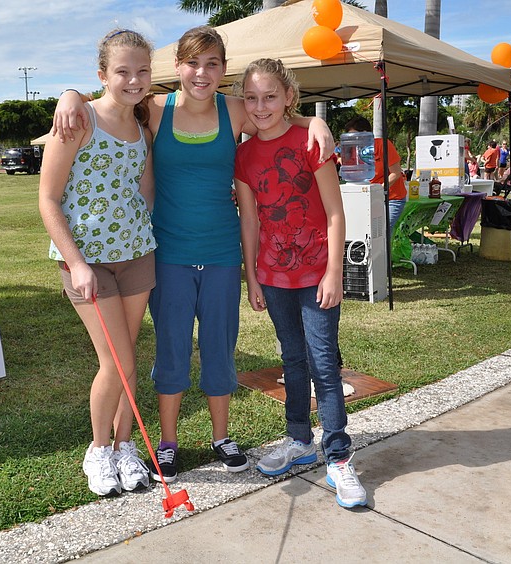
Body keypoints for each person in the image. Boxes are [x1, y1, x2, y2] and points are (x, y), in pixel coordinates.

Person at [54, 25, 333, 484]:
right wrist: (69, 94)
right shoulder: (155, 110)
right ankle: (166, 442)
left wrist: (315, 121)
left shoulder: (237, 110)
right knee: (172, 349)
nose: (201, 73)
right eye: (192, 63)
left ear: (223, 70)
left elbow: (279, 116)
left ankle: (222, 437)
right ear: (177, 67)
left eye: (212, 64)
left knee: (220, 348)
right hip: (165, 254)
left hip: (223, 253)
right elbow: (109, 98)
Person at [234, 58, 366, 509]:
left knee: (324, 363)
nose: (260, 106)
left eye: (270, 96)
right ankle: (298, 439)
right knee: (291, 359)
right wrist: (251, 276)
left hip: (315, 273)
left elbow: (334, 212)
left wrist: (333, 272)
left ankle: (339, 456)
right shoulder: (244, 153)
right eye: (251, 98)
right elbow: (248, 220)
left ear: (289, 96)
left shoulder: (312, 140)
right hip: (273, 276)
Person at [39, 29, 156, 497]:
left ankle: (126, 448)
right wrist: (77, 263)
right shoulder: (78, 120)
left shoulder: (144, 122)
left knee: (126, 360)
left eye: (142, 70)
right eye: (123, 71)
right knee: (118, 361)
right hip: (87, 264)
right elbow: (47, 200)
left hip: (137, 257)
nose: (133, 79)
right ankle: (98, 449)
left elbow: (142, 190)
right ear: (102, 74)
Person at [343, 116, 406, 231]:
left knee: (383, 233)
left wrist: (377, 191)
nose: (353, 139)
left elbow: (396, 173)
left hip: (391, 199)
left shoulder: (383, 145)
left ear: (366, 134)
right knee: (368, 233)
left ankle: (387, 249)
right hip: (368, 197)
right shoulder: (355, 150)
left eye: (355, 135)